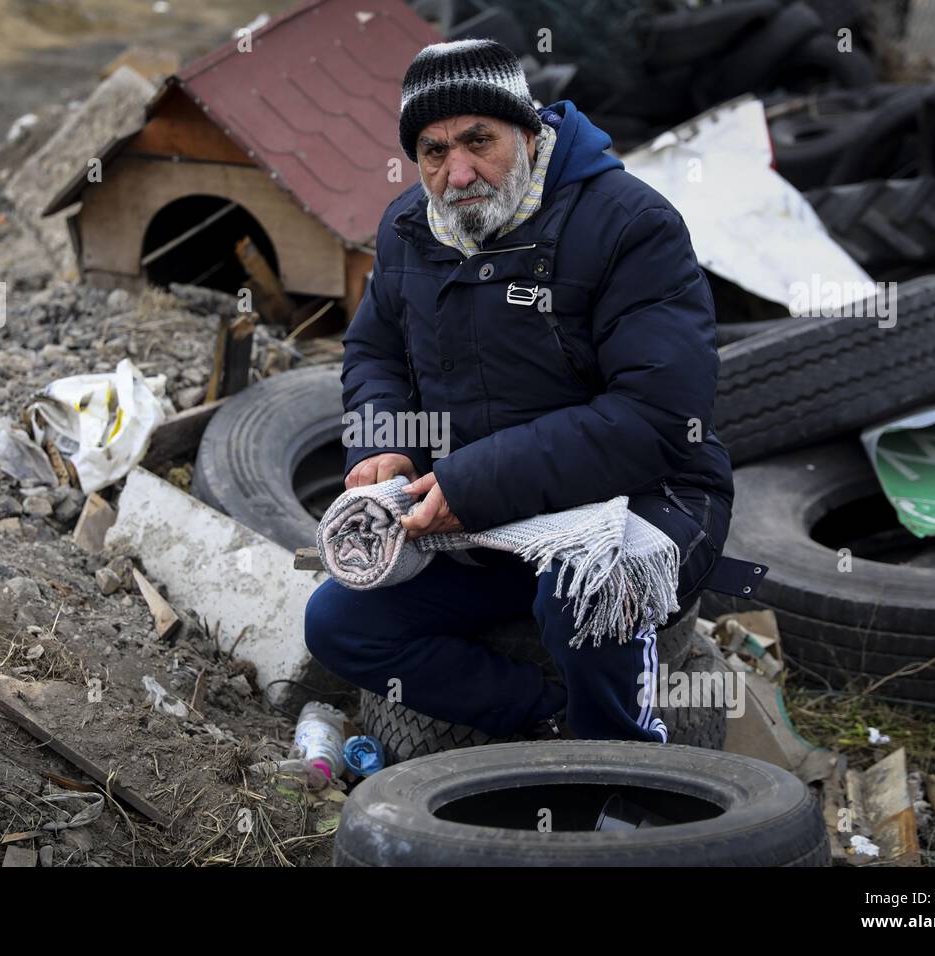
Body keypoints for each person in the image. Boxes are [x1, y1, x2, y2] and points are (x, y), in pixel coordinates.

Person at [305, 38, 733, 742]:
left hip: (652, 493)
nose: (459, 171)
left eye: (480, 140)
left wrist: (473, 481)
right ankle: (546, 725)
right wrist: (383, 443)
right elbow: (374, 350)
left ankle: (621, 774)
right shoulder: (408, 228)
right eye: (434, 151)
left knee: (587, 598)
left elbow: (656, 419)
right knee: (341, 625)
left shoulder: (630, 224)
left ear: (530, 133)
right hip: (485, 509)